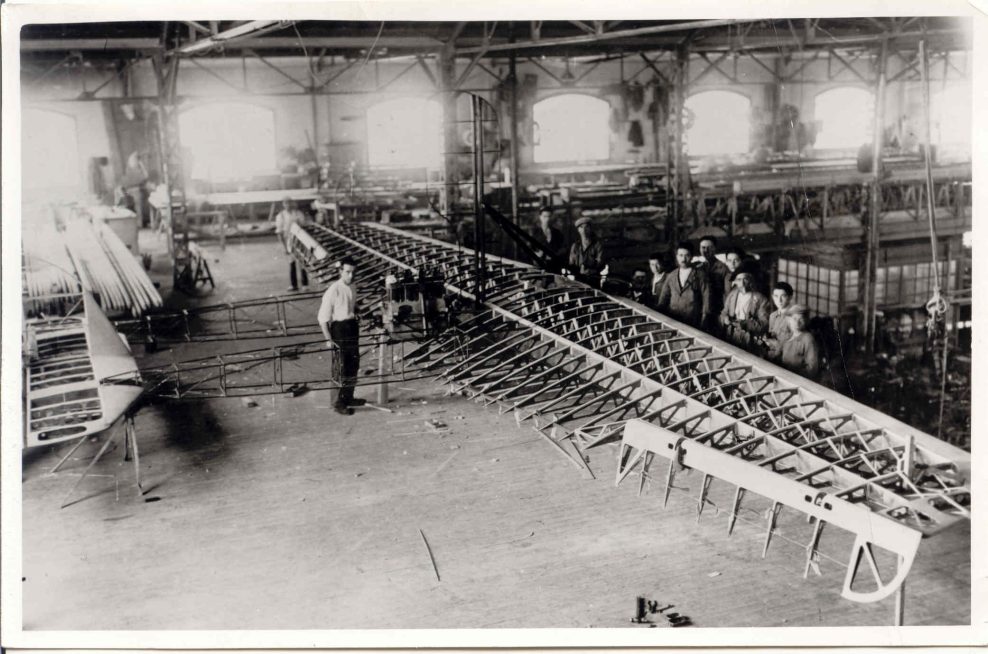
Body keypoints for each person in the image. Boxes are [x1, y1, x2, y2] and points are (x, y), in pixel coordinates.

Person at [318, 257, 363, 416]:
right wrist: (328, 340)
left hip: (352, 328)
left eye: (353, 272)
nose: (351, 276)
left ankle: (348, 397)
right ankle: (337, 403)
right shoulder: (333, 290)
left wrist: (357, 312)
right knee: (340, 367)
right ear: (340, 272)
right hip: (339, 330)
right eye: (347, 272)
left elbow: (353, 304)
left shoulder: (353, 286)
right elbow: (323, 319)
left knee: (353, 365)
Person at [656, 241, 712, 328]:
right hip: (673, 319)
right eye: (681, 255)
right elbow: (663, 298)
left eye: (687, 255)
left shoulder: (700, 275)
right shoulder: (671, 275)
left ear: (692, 257)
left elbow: (706, 298)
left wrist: (704, 319)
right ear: (677, 256)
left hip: (693, 320)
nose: (683, 259)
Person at [719, 264, 772, 351]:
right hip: (731, 334)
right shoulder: (732, 295)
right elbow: (724, 312)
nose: (743, 283)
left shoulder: (760, 299)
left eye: (745, 279)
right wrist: (725, 318)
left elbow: (764, 323)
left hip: (749, 337)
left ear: (751, 281)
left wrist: (746, 324)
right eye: (739, 279)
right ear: (735, 281)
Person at [275, 197, 309, 291]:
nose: (288, 205)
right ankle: (294, 285)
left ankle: (305, 284)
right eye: (286, 203)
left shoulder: (298, 213)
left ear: (293, 203)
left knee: (302, 262)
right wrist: (284, 247)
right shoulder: (280, 216)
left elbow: (304, 227)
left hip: (300, 240)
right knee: (292, 263)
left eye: (290, 203)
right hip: (289, 241)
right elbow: (279, 233)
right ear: (283, 204)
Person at [781, 305, 821, 380]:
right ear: (788, 320)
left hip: (798, 380)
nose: (797, 323)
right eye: (794, 319)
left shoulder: (808, 339)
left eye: (801, 319)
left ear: (806, 321)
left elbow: (812, 369)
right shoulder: (788, 337)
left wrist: (792, 375)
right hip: (785, 377)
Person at [698, 236, 731, 313]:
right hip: (699, 308)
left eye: (710, 247)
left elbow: (727, 293)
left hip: (716, 309)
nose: (706, 250)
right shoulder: (697, 267)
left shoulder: (723, 268)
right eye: (703, 247)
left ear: (715, 248)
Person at [568, 215, 606, 281]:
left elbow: (601, 264)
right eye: (581, 227)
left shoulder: (597, 245)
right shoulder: (575, 246)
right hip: (578, 280)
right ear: (578, 230)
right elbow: (571, 264)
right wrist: (576, 271)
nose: (584, 230)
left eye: (587, 227)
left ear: (591, 229)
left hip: (593, 279)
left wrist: (592, 271)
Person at [764, 281, 795, 361]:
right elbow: (771, 335)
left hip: (788, 359)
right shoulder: (772, 316)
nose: (779, 300)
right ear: (772, 297)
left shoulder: (794, 317)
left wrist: (777, 344)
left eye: (783, 296)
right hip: (772, 355)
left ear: (790, 297)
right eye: (776, 296)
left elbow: (796, 345)